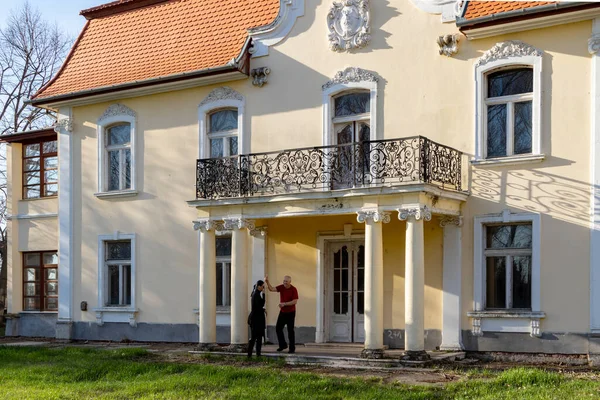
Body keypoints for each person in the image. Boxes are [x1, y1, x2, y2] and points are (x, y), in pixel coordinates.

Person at [265, 275, 298, 354]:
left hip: (291, 312)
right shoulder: (281, 287)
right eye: (284, 281)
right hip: (283, 312)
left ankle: (292, 348)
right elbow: (271, 289)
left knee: (290, 331)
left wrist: (285, 304)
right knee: (278, 328)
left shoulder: (293, 289)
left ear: (290, 282)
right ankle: (283, 345)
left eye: (286, 281)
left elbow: (295, 301)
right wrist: (267, 281)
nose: (284, 282)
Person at [247, 280, 266, 358]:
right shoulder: (256, 294)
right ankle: (250, 354)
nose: (263, 288)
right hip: (256, 319)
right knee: (255, 337)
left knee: (258, 337)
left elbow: (258, 306)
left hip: (257, 319)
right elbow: (260, 305)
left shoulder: (256, 294)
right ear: (259, 286)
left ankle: (257, 354)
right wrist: (264, 294)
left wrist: (263, 310)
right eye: (263, 286)